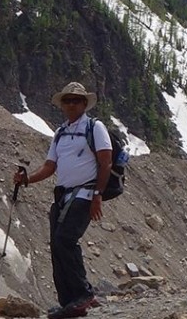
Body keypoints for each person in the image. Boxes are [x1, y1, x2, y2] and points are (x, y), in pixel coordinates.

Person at [13, 82, 112, 319]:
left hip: (85, 194)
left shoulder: (95, 127)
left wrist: (98, 195)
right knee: (57, 245)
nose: (70, 104)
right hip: (63, 196)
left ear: (84, 104)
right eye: (67, 101)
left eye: (75, 100)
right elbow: (50, 166)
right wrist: (27, 180)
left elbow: (106, 162)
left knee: (65, 239)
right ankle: (68, 302)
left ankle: (83, 295)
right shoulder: (60, 133)